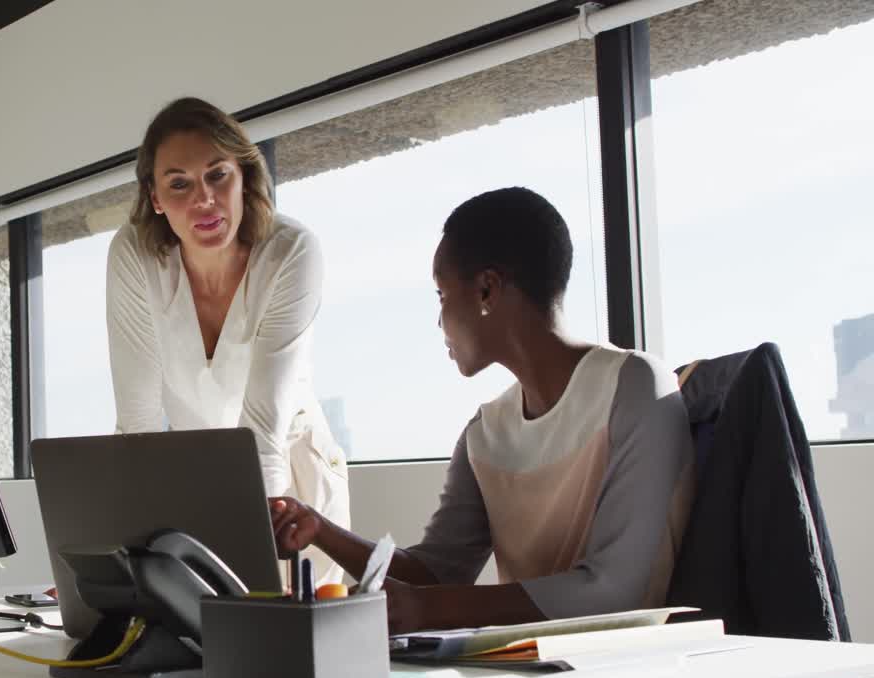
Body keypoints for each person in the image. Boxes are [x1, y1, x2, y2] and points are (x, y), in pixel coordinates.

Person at [270, 187, 694, 633]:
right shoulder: (485, 433)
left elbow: (615, 591)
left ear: (487, 288)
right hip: (530, 670)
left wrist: (428, 609)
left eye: (440, 294)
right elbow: (435, 574)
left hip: (638, 671)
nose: (439, 321)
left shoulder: (635, 386)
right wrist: (318, 528)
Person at [107, 97, 350, 584]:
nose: (204, 199)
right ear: (155, 197)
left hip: (292, 479)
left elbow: (263, 430)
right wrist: (122, 558)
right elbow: (137, 424)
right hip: (199, 471)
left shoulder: (291, 252)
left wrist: (258, 569)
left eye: (218, 175)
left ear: (243, 175)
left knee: (292, 630)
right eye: (179, 183)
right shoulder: (134, 254)